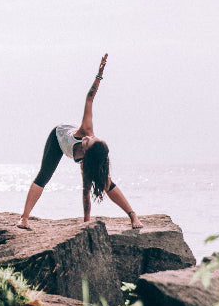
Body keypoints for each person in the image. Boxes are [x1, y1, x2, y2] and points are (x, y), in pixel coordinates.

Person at [18, 54, 143, 230]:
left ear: (86, 154)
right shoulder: (86, 130)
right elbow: (90, 98)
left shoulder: (87, 163)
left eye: (88, 142)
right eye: (90, 138)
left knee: (106, 182)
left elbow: (86, 194)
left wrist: (86, 224)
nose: (87, 137)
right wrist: (99, 75)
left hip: (79, 154)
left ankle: (133, 216)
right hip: (58, 138)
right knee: (44, 175)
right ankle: (24, 218)